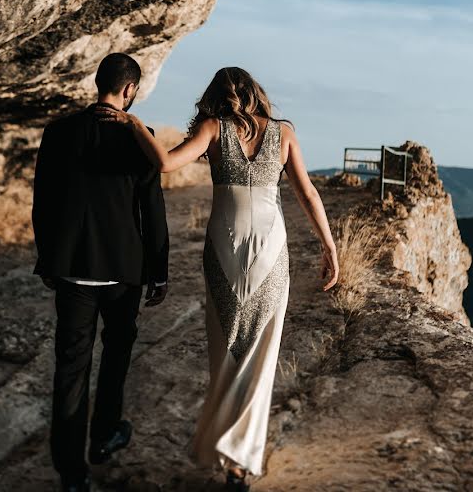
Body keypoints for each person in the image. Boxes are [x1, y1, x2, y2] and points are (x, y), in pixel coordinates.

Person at [96, 66, 339, 491]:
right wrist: (329, 246)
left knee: (224, 352)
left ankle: (230, 453)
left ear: (216, 95)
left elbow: (167, 163)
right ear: (254, 92)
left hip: (223, 251)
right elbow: (307, 193)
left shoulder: (212, 127)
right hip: (271, 251)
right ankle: (239, 463)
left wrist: (134, 123)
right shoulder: (283, 133)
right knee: (260, 355)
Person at [32, 52, 170, 492]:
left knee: (70, 371)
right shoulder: (140, 138)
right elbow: (152, 211)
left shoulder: (58, 132)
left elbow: (43, 204)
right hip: (123, 274)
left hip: (71, 272)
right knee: (116, 357)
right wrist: (159, 271)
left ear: (98, 83)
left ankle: (72, 475)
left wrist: (49, 259)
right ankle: (105, 434)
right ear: (129, 90)